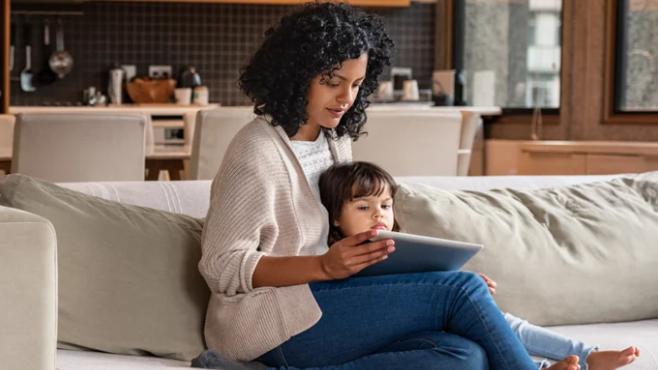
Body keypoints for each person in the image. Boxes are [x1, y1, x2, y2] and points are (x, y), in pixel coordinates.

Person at [194, 2, 561, 369]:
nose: (346, 98)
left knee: (465, 356)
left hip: (326, 302)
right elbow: (221, 266)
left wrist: (425, 279)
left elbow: (346, 241)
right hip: (267, 324)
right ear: (295, 75)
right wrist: (322, 267)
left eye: (356, 84)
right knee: (463, 290)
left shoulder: (334, 139)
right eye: (332, 82)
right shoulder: (255, 151)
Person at [317, 160, 642, 370]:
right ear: (335, 217)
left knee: (498, 324)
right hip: (380, 331)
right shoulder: (338, 256)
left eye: (385, 205)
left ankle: (586, 355)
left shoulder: (400, 248)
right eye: (363, 207)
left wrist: (461, 292)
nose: (379, 215)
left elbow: (424, 286)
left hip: (423, 326)